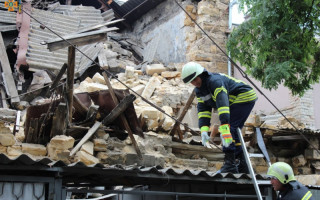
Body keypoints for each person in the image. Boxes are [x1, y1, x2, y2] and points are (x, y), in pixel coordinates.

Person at [181, 62, 257, 173]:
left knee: (228, 129)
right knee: (234, 131)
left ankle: (230, 164)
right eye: (191, 81)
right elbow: (203, 111)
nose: (194, 83)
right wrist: (203, 130)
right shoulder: (199, 91)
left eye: (195, 79)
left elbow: (223, 104)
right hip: (233, 102)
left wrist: (225, 125)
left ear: (201, 74)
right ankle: (243, 164)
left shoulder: (215, 82)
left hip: (244, 96)